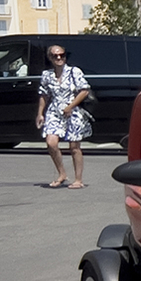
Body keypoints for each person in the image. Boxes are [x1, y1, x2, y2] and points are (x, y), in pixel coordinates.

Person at [34, 43, 92, 188]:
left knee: (74, 147)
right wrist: (40, 113)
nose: (59, 58)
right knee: (51, 143)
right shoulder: (47, 75)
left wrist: (70, 106)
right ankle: (62, 174)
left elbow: (84, 90)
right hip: (55, 111)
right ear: (50, 58)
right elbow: (44, 94)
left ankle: (78, 179)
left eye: (62, 55)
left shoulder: (74, 72)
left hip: (72, 111)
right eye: (55, 55)